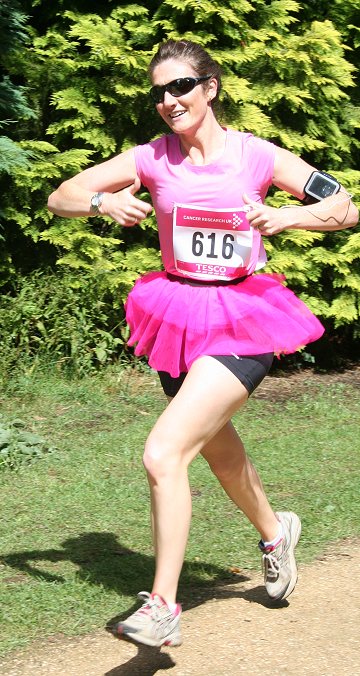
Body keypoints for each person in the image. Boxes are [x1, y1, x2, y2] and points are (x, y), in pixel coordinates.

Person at [48, 39, 358, 648]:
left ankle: (163, 604)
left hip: (246, 317)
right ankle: (276, 534)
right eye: (159, 92)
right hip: (180, 314)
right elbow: (61, 197)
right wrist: (104, 202)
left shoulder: (257, 156)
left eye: (182, 87)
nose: (170, 101)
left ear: (210, 87)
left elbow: (345, 207)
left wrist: (290, 218)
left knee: (164, 452)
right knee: (217, 453)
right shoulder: (151, 158)